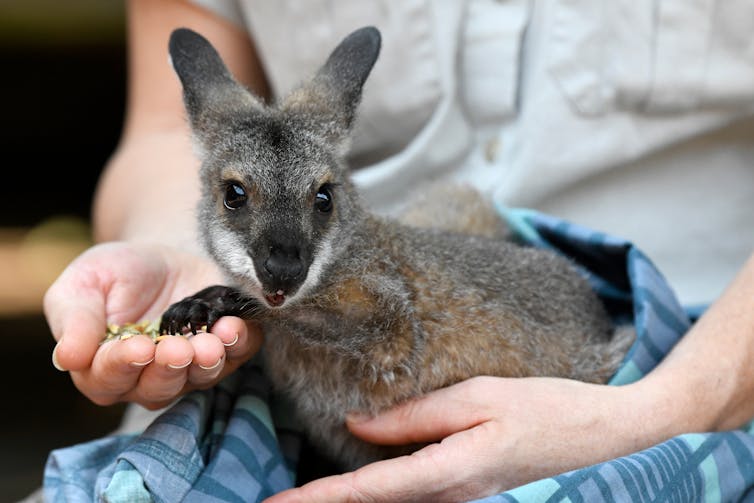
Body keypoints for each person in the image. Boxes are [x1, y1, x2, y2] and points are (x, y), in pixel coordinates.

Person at [44, 0, 754, 501]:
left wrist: (663, 410)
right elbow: (163, 139)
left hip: (691, 365)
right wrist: (174, 253)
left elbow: (379, 316)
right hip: (275, 401)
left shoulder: (356, 278)